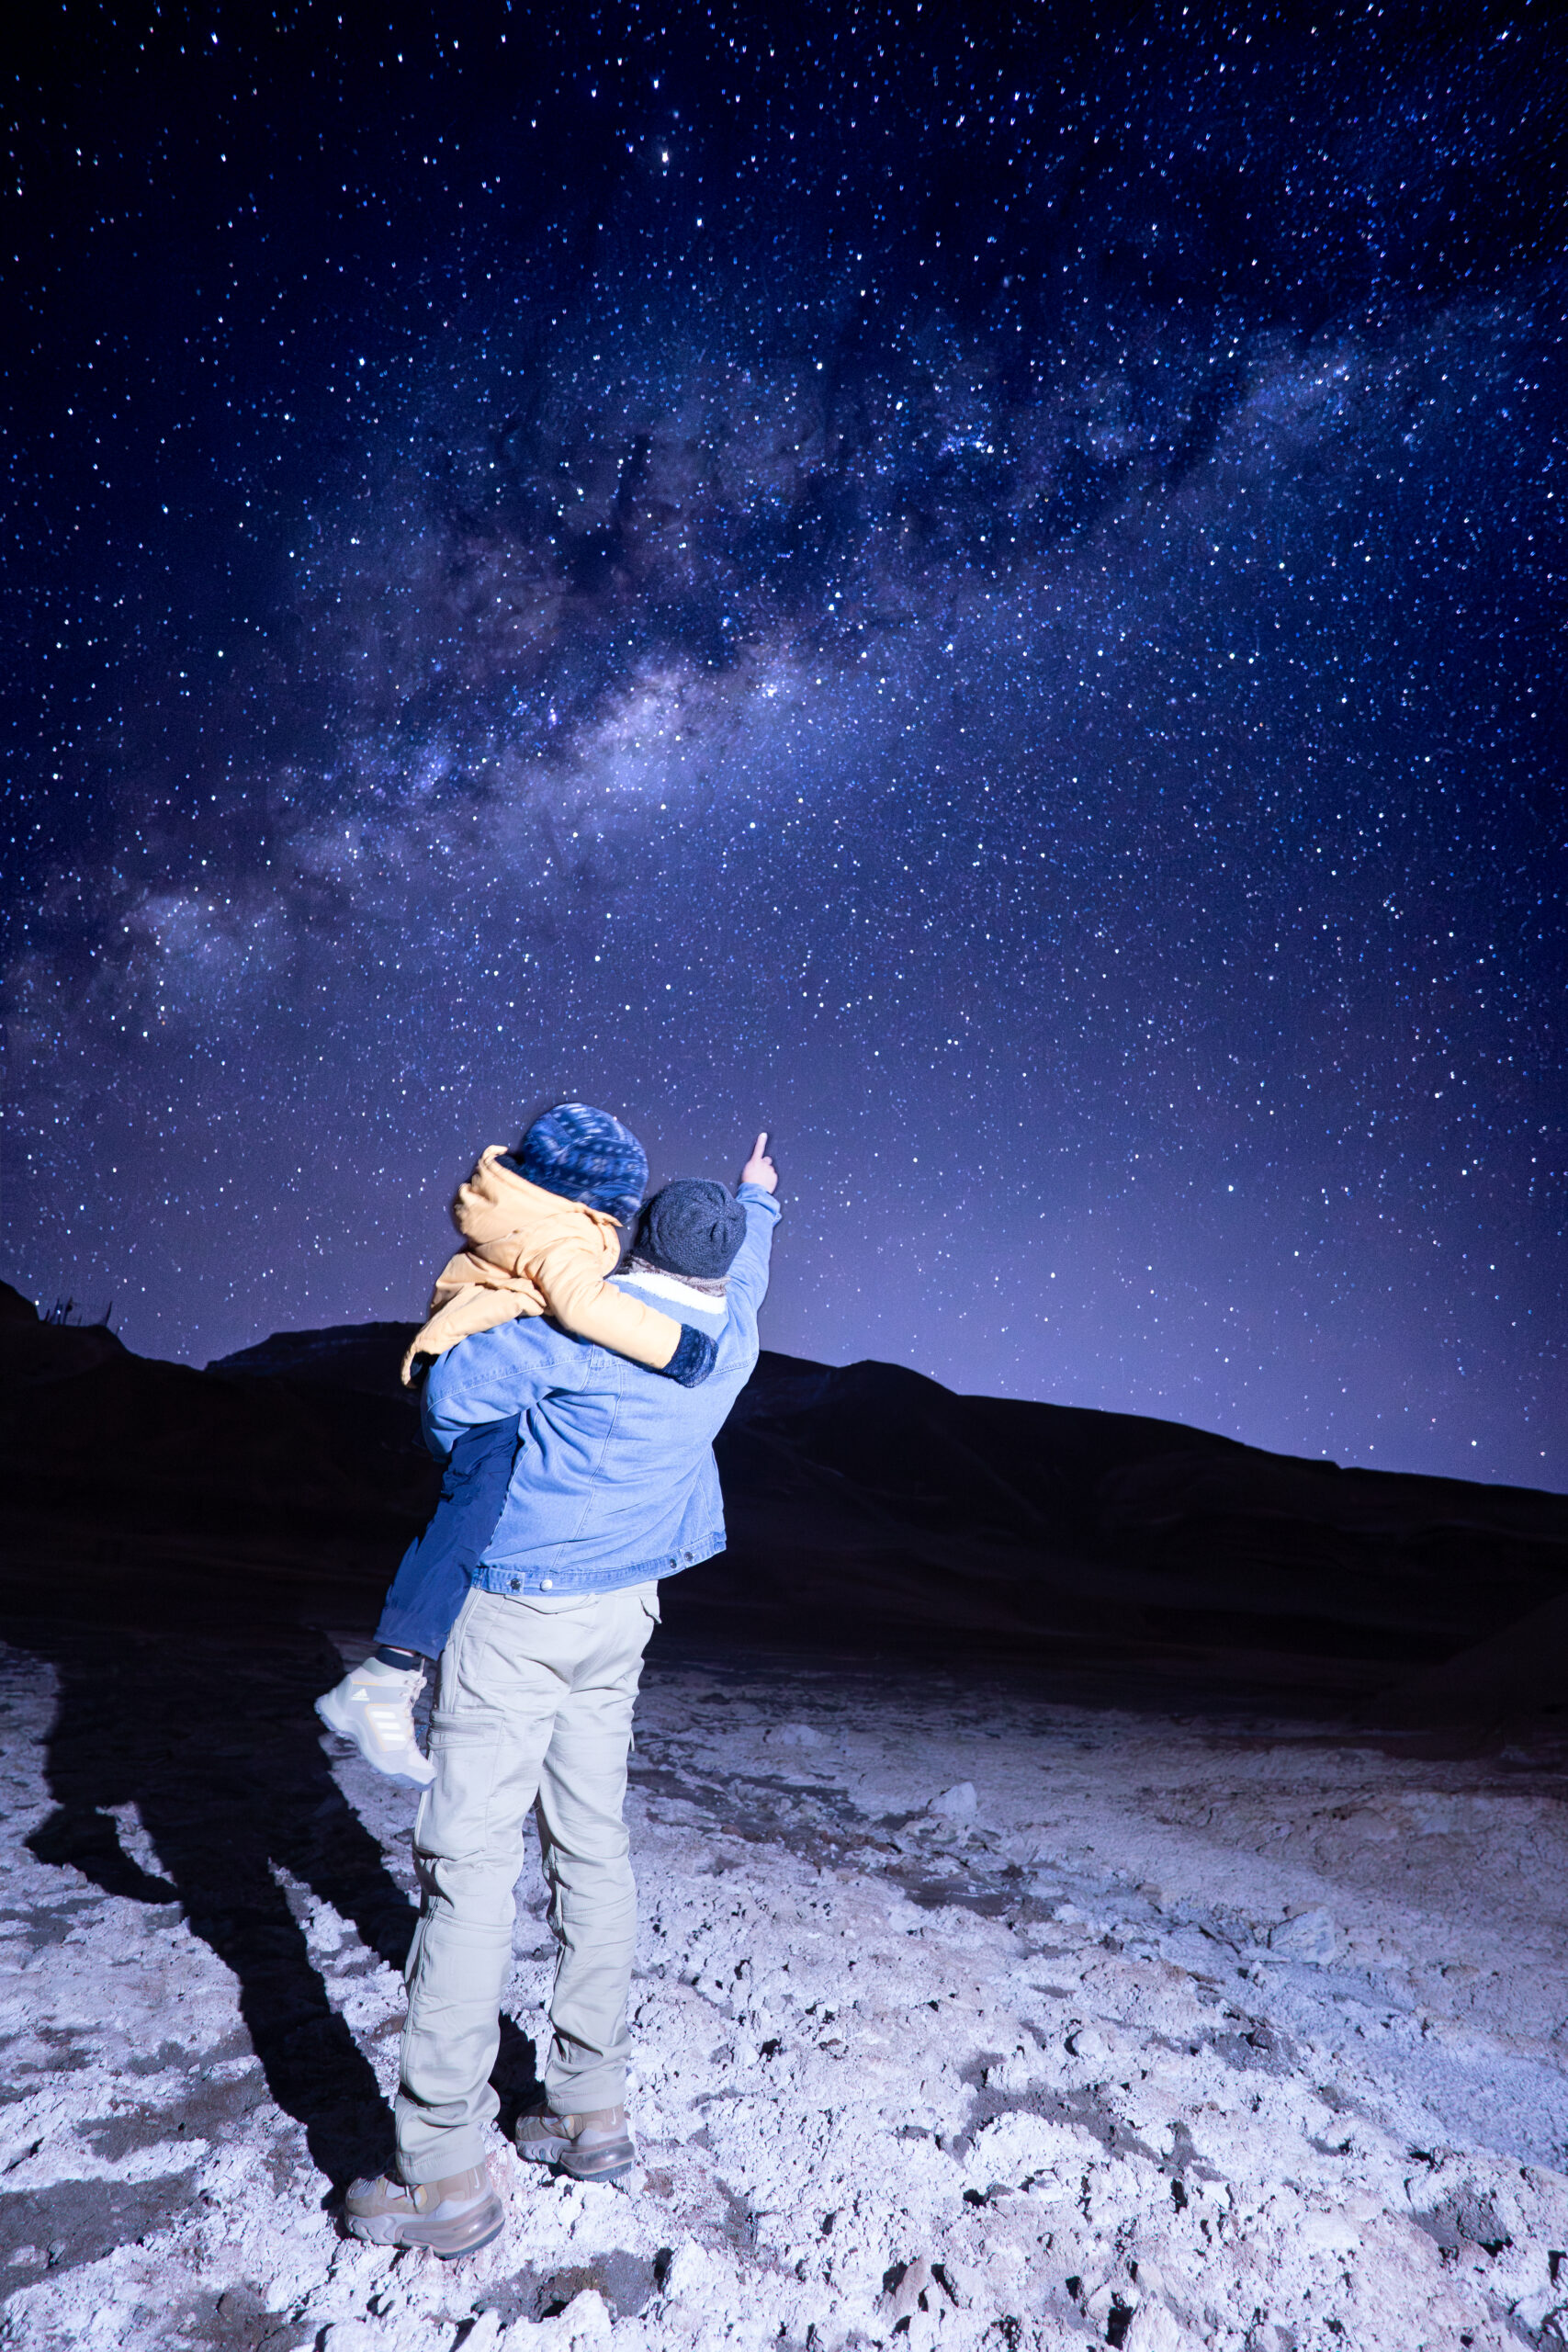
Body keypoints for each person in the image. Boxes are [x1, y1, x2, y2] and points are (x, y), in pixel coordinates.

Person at [342, 1132, 781, 2256]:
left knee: (470, 1867)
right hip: (622, 1617)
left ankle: (440, 2167)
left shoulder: (560, 1340)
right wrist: (760, 1199)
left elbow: (445, 1407)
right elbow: (756, 1259)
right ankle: (590, 2107)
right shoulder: (730, 1336)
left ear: (629, 1241)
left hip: (518, 1614)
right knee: (591, 1848)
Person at [316, 1102, 723, 1784]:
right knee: (470, 1517)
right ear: (597, 1197)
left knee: (472, 1509)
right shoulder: (558, 1239)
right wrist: (679, 1348)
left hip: (467, 1356)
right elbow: (584, 1307)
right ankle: (384, 1677)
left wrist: (754, 1197)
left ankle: (391, 1675)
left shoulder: (525, 1209)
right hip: (477, 1384)